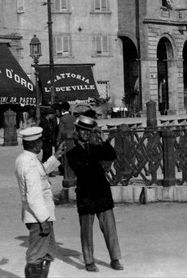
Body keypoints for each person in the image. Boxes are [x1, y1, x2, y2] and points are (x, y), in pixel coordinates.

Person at [66, 115, 123, 272]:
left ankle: (115, 259)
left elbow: (112, 155)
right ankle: (89, 261)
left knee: (110, 228)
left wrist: (103, 139)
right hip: (86, 195)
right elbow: (83, 171)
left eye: (88, 131)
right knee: (86, 230)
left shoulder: (97, 147)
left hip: (102, 193)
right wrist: (96, 158)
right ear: (76, 132)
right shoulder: (72, 153)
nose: (85, 134)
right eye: (82, 130)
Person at [15, 126, 66, 278]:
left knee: (47, 253)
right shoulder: (29, 163)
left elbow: (41, 174)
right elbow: (34, 195)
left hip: (40, 215)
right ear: (36, 144)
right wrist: (44, 220)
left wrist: (55, 157)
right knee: (36, 256)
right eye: (41, 142)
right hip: (39, 217)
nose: (42, 144)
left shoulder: (25, 159)